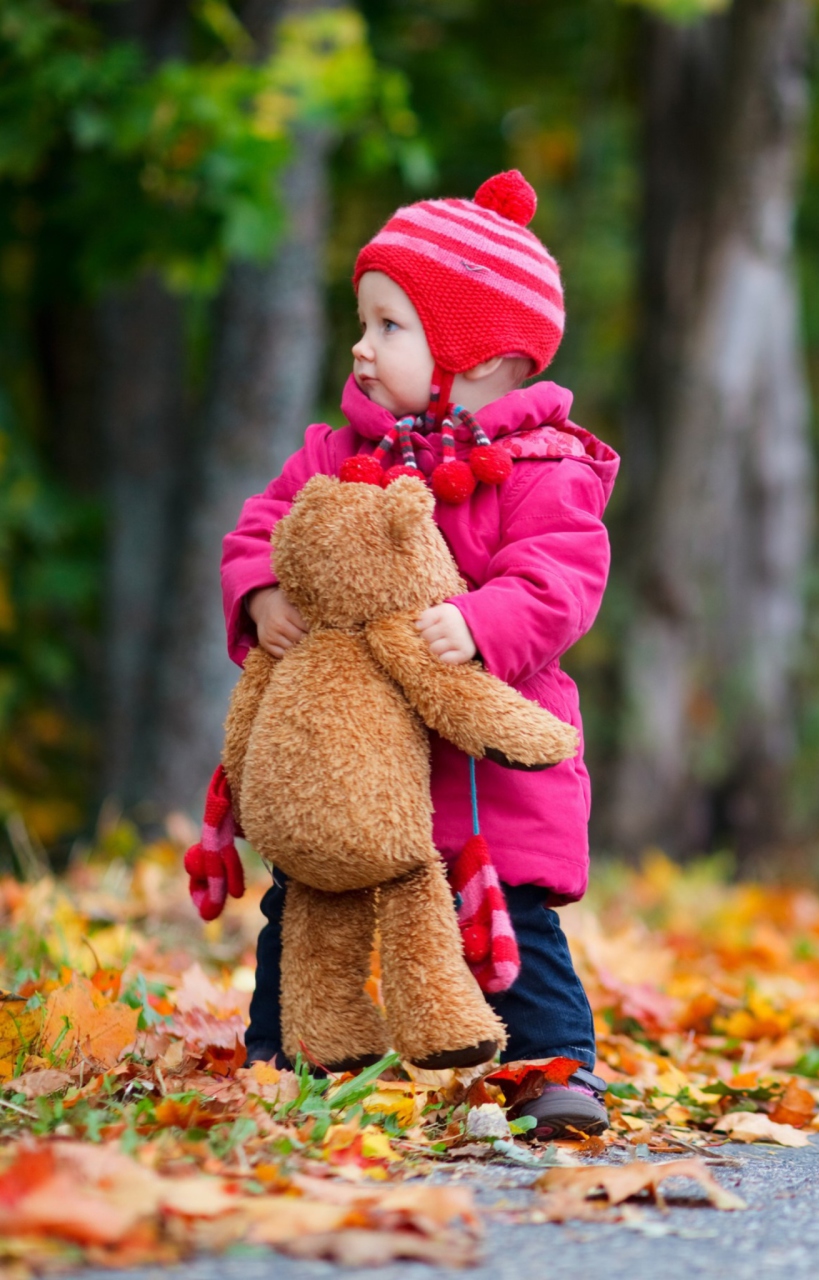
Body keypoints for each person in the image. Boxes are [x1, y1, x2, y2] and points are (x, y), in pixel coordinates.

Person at [220, 170, 616, 1139]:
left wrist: (483, 625)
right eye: (364, 320)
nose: (361, 345)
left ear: (481, 357)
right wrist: (262, 592)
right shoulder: (334, 456)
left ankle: (551, 1068)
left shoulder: (541, 467)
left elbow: (562, 576)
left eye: (391, 326)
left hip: (484, 766)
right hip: (352, 758)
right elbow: (260, 528)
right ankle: (287, 1055)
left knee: (510, 919)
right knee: (305, 900)